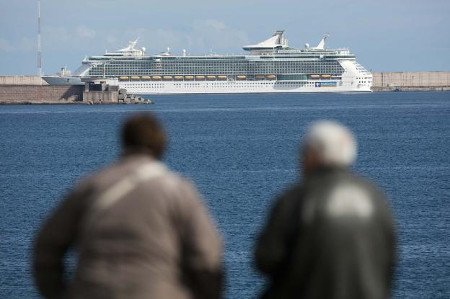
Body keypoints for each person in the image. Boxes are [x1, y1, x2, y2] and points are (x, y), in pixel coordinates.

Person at [33, 113, 223, 299]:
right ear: (162, 145)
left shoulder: (90, 186)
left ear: (124, 141)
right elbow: (207, 255)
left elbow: (46, 245)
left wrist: (59, 293)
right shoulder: (178, 190)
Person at [254, 120, 396, 299]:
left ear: (314, 155)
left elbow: (265, 260)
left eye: (304, 153)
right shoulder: (376, 198)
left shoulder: (296, 199)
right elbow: (390, 260)